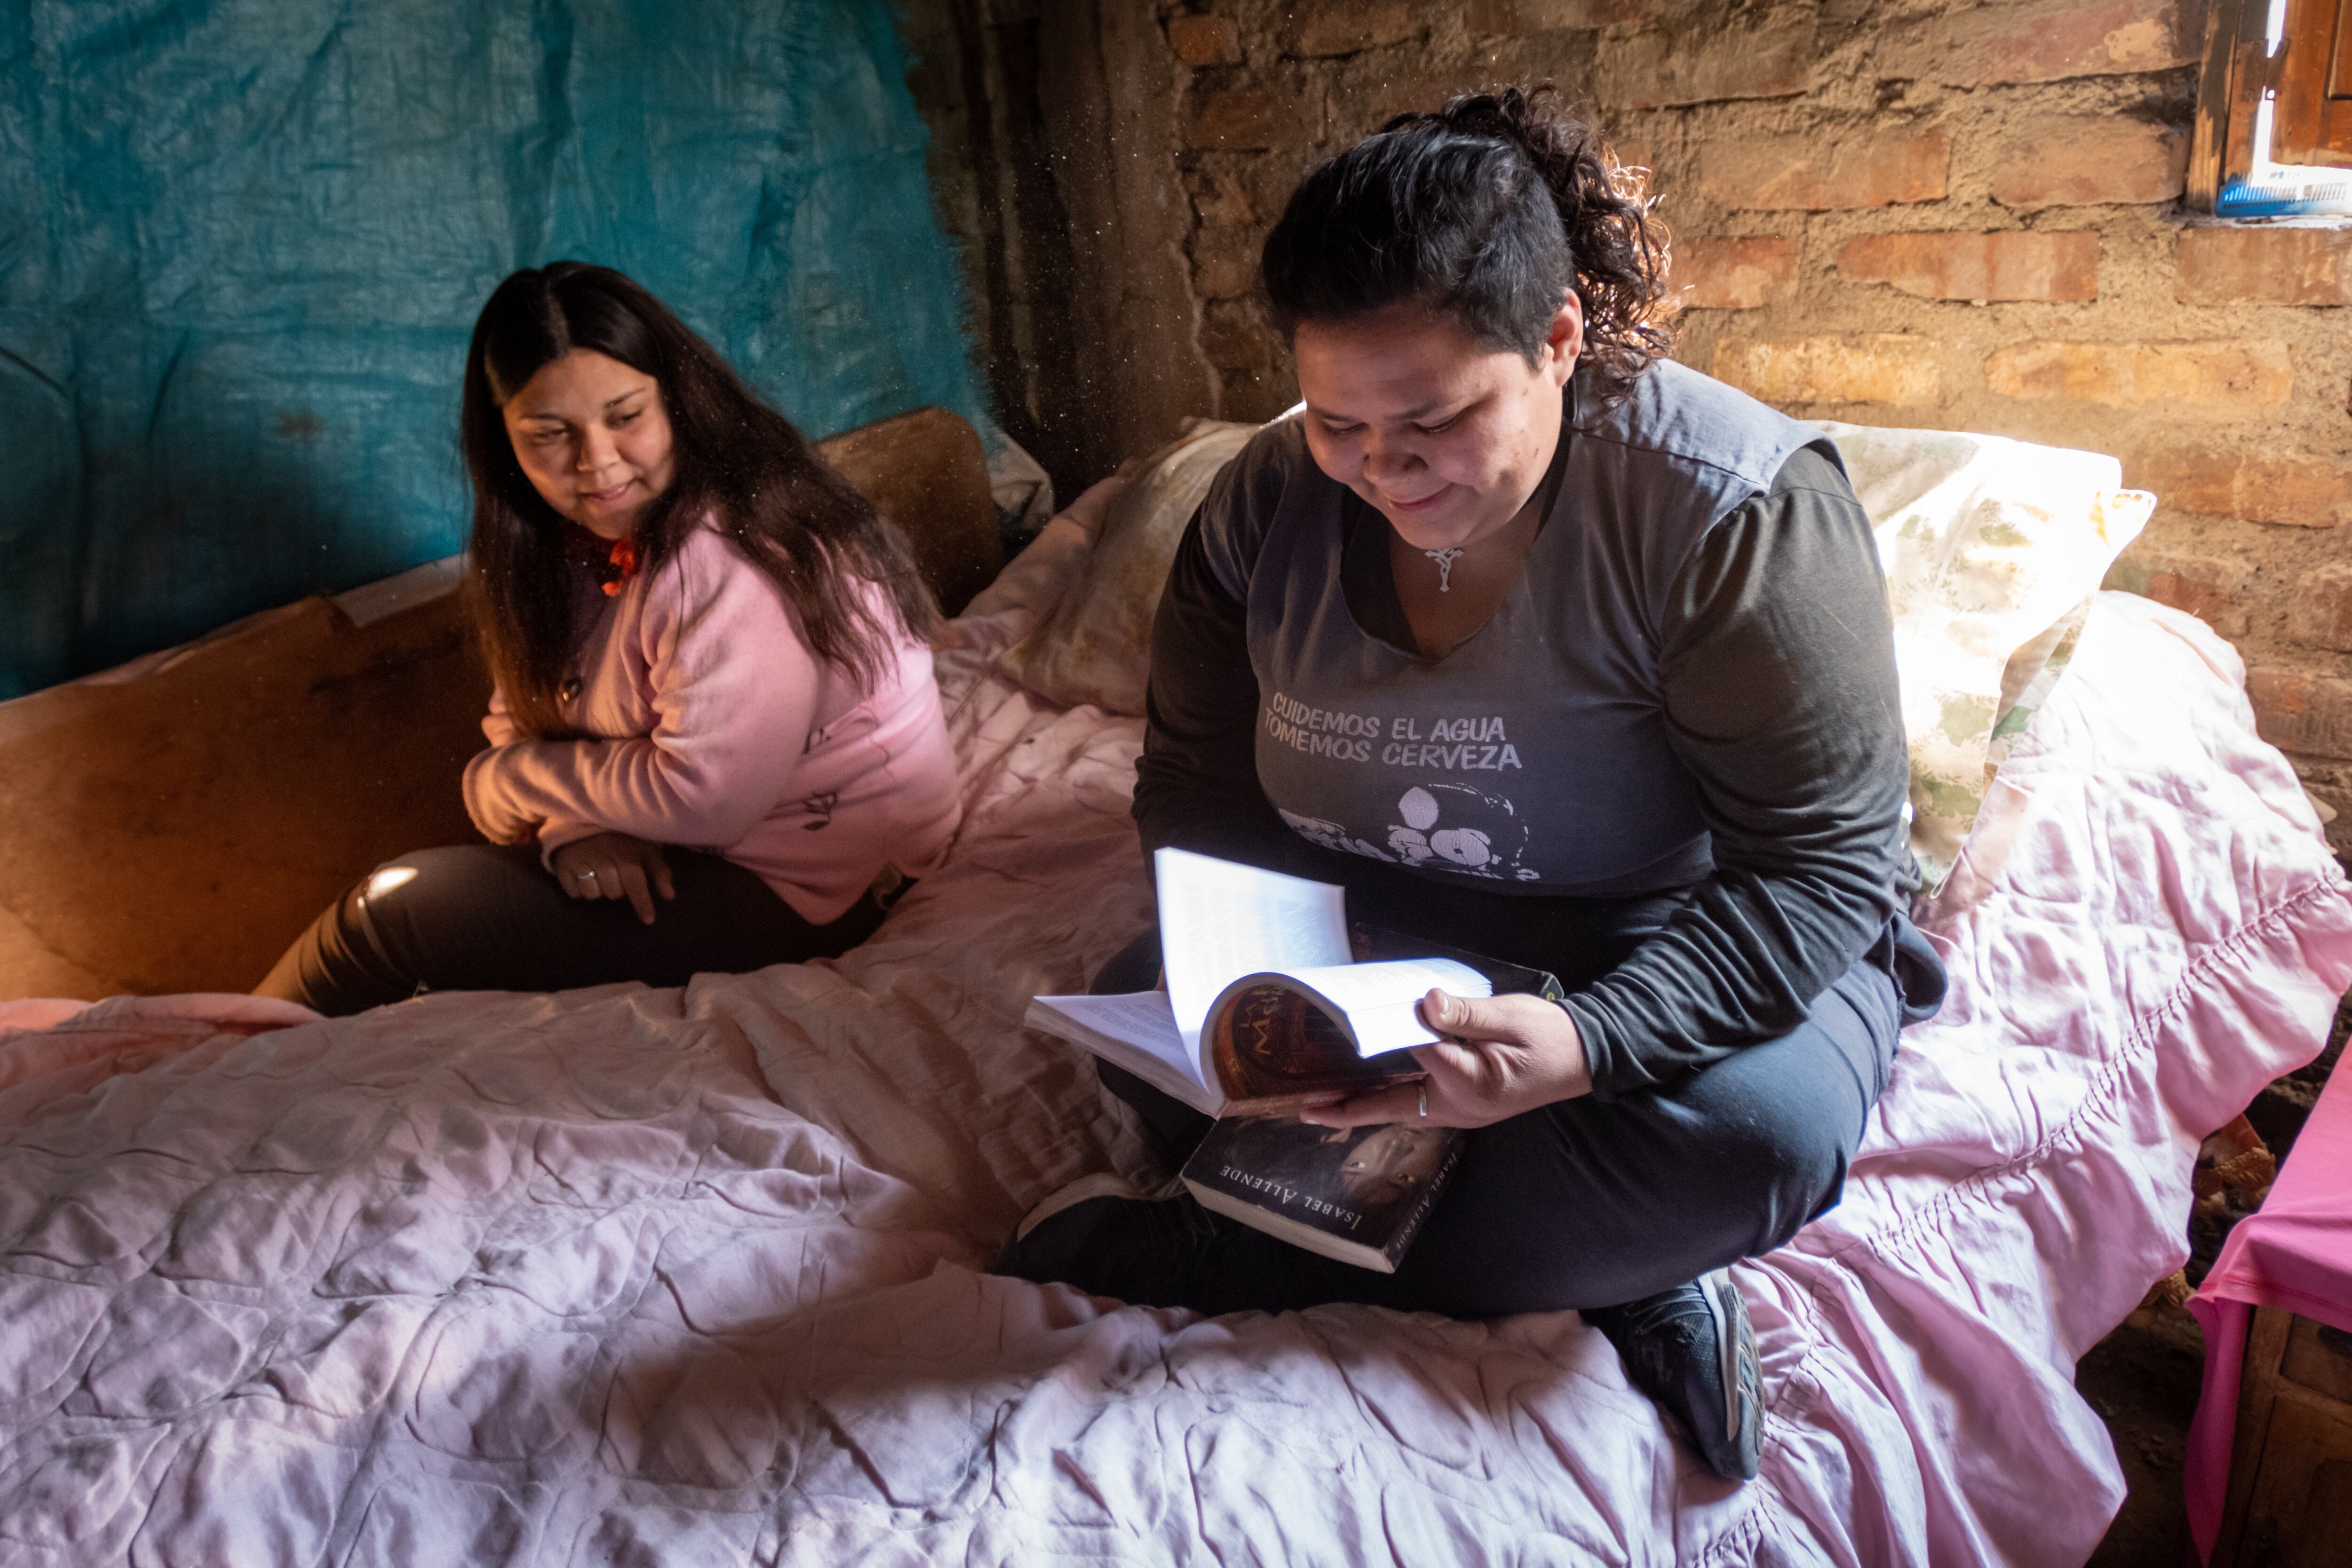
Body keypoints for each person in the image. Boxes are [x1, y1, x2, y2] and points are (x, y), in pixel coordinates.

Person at [996, 87, 1947, 1483]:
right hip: (1386, 935)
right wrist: (1252, 975)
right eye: (1336, 421)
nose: (1385, 471)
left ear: (1560, 339)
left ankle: (1247, 1239)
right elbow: (1197, 787)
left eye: (1435, 418)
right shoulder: (1264, 506)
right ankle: (1600, 1259)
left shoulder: (1729, 512)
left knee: (1754, 1141)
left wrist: (1593, 1042)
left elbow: (1821, 875)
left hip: (1672, 940)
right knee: (1148, 1015)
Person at [257, 263, 962, 1015]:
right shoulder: (568, 543)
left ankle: (212, 1064)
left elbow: (706, 797)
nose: (597, 462)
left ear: (678, 402)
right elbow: (530, 710)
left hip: (824, 880)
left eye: (626, 416)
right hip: (697, 840)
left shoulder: (726, 554)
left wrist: (509, 781)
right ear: (505, 441)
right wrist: (575, 827)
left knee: (391, 913)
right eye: (549, 435)